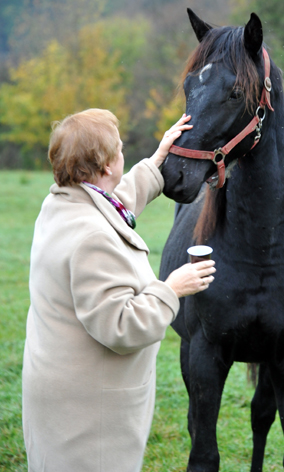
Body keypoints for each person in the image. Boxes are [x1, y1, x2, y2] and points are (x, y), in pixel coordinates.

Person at [22, 108, 216, 472]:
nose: (123, 155)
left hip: (60, 394)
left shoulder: (61, 204)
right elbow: (121, 328)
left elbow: (112, 206)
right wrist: (172, 289)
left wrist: (157, 161)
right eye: (120, 149)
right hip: (88, 416)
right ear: (108, 164)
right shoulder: (92, 237)